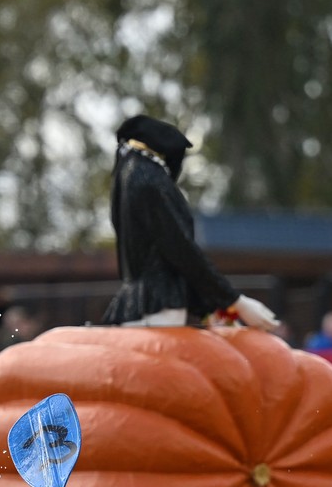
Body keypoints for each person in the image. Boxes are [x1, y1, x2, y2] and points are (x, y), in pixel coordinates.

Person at [100, 114, 278, 331]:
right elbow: (181, 252)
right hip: (159, 312)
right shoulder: (149, 180)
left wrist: (215, 312)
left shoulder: (125, 177)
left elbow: (167, 256)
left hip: (135, 308)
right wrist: (234, 302)